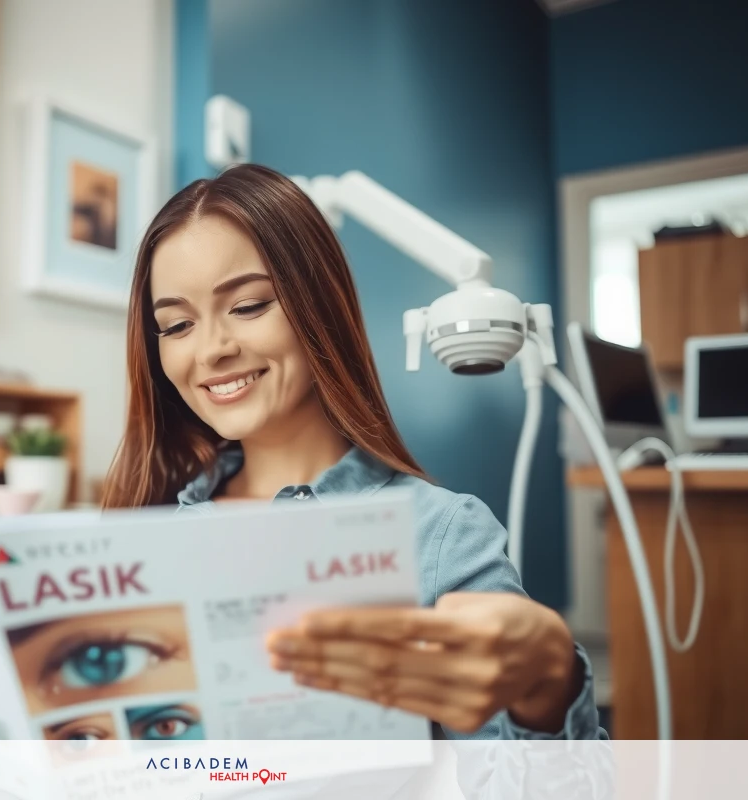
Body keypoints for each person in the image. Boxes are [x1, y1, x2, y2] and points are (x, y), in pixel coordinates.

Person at [101, 163, 605, 757]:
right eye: (178, 324)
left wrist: (549, 684)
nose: (212, 350)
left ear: (319, 307)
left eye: (249, 305)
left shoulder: (440, 534)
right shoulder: (148, 533)